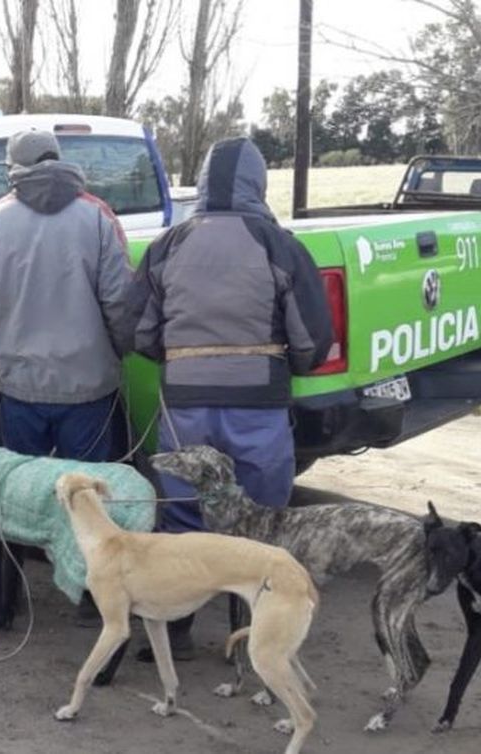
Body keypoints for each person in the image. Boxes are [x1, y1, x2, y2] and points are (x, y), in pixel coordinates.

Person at [131, 137, 334, 658]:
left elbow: (140, 333)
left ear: (201, 182)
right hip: (257, 407)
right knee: (261, 522)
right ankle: (255, 637)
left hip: (185, 406)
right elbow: (312, 342)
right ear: (259, 182)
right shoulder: (278, 244)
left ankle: (173, 635)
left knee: (180, 519)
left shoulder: (167, 244)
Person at [0, 128, 135, 462]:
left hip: (20, 382)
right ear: (57, 157)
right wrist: (118, 352)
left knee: (28, 493)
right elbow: (119, 302)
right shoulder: (98, 215)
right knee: (86, 492)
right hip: (89, 384)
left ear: (12, 167)